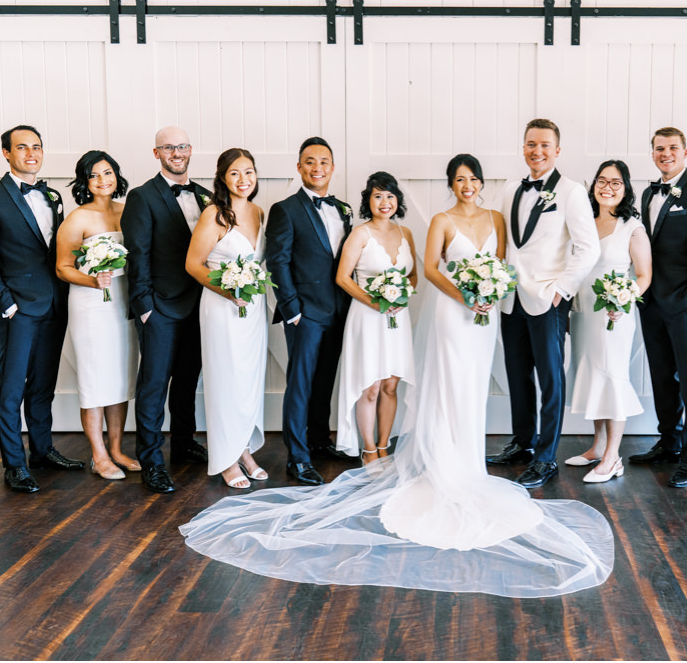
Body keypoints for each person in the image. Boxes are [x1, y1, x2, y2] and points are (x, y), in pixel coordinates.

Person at [179, 154, 613, 598]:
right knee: (330, 382)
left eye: (472, 178)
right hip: (345, 313)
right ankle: (308, 455)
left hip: (445, 317)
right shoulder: (303, 213)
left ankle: (402, 450)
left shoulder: (461, 222)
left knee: (399, 384)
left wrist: (480, 291)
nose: (467, 184)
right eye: (458, 179)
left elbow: (466, 269)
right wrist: (306, 307)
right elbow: (339, 270)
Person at [0, 125, 83, 492]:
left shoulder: (52, 193)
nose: (31, 153)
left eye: (36, 147)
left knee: (43, 384)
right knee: (12, 386)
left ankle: (43, 451)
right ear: (6, 153)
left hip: (54, 302)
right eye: (22, 147)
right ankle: (14, 465)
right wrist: (8, 304)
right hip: (17, 307)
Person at [487, 119, 600, 488]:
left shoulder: (571, 192)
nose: (537, 151)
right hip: (511, 298)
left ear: (557, 150)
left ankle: (546, 456)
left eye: (545, 145)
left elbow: (589, 247)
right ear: (523, 148)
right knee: (517, 375)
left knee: (551, 379)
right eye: (531, 144)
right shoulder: (508, 190)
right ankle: (522, 442)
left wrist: (561, 290)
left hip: (548, 299)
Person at [630, 127, 687, 488]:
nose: (665, 153)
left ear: (685, 151)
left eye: (672, 148)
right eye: (659, 148)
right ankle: (669, 442)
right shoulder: (648, 192)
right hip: (651, 300)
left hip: (686, 303)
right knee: (661, 376)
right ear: (652, 153)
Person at [120, 126, 212, 494]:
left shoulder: (207, 196)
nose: (177, 152)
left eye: (182, 146)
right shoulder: (142, 196)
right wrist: (144, 307)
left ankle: (185, 443)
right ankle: (152, 461)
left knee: (188, 380)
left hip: (200, 305)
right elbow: (137, 253)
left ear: (191, 149)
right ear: (156, 153)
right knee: (154, 385)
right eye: (169, 147)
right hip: (159, 306)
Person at [266, 137, 353, 486]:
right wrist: (292, 310)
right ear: (299, 167)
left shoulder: (344, 208)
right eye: (310, 161)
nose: (317, 167)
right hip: (304, 313)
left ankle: (319, 440)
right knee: (300, 384)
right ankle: (297, 457)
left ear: (333, 167)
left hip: (338, 310)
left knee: (324, 380)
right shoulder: (286, 209)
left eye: (324, 161)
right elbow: (278, 261)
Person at [186, 149, 268, 489]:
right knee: (225, 379)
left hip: (253, 308)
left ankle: (245, 449)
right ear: (222, 178)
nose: (243, 180)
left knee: (249, 379)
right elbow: (194, 265)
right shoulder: (214, 215)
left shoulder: (259, 212)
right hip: (222, 307)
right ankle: (226, 458)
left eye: (248, 172)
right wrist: (228, 290)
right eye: (235, 173)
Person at [56, 151, 140, 481]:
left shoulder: (127, 211)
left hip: (123, 302)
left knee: (119, 378)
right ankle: (99, 454)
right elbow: (63, 267)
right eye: (95, 175)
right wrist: (93, 280)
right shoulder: (78, 218)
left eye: (108, 173)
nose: (103, 180)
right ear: (85, 182)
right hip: (91, 305)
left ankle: (117, 448)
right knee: (94, 380)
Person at [566, 160, 652, 483]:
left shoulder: (633, 228)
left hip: (615, 314)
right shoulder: (583, 223)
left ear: (626, 188)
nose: (607, 187)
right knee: (590, 374)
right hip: (584, 312)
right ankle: (598, 445)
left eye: (616, 182)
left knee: (612, 376)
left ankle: (613, 457)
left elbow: (644, 276)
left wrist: (624, 299)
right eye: (602, 181)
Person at [335, 172, 418, 463]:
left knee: (390, 385)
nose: (385, 202)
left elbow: (413, 276)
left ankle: (384, 445)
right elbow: (343, 278)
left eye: (390, 196)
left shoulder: (405, 233)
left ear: (398, 200)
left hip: (398, 318)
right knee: (370, 386)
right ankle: (368, 449)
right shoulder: (360, 234)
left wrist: (401, 297)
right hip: (368, 317)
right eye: (378, 196)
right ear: (368, 201)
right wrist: (375, 301)